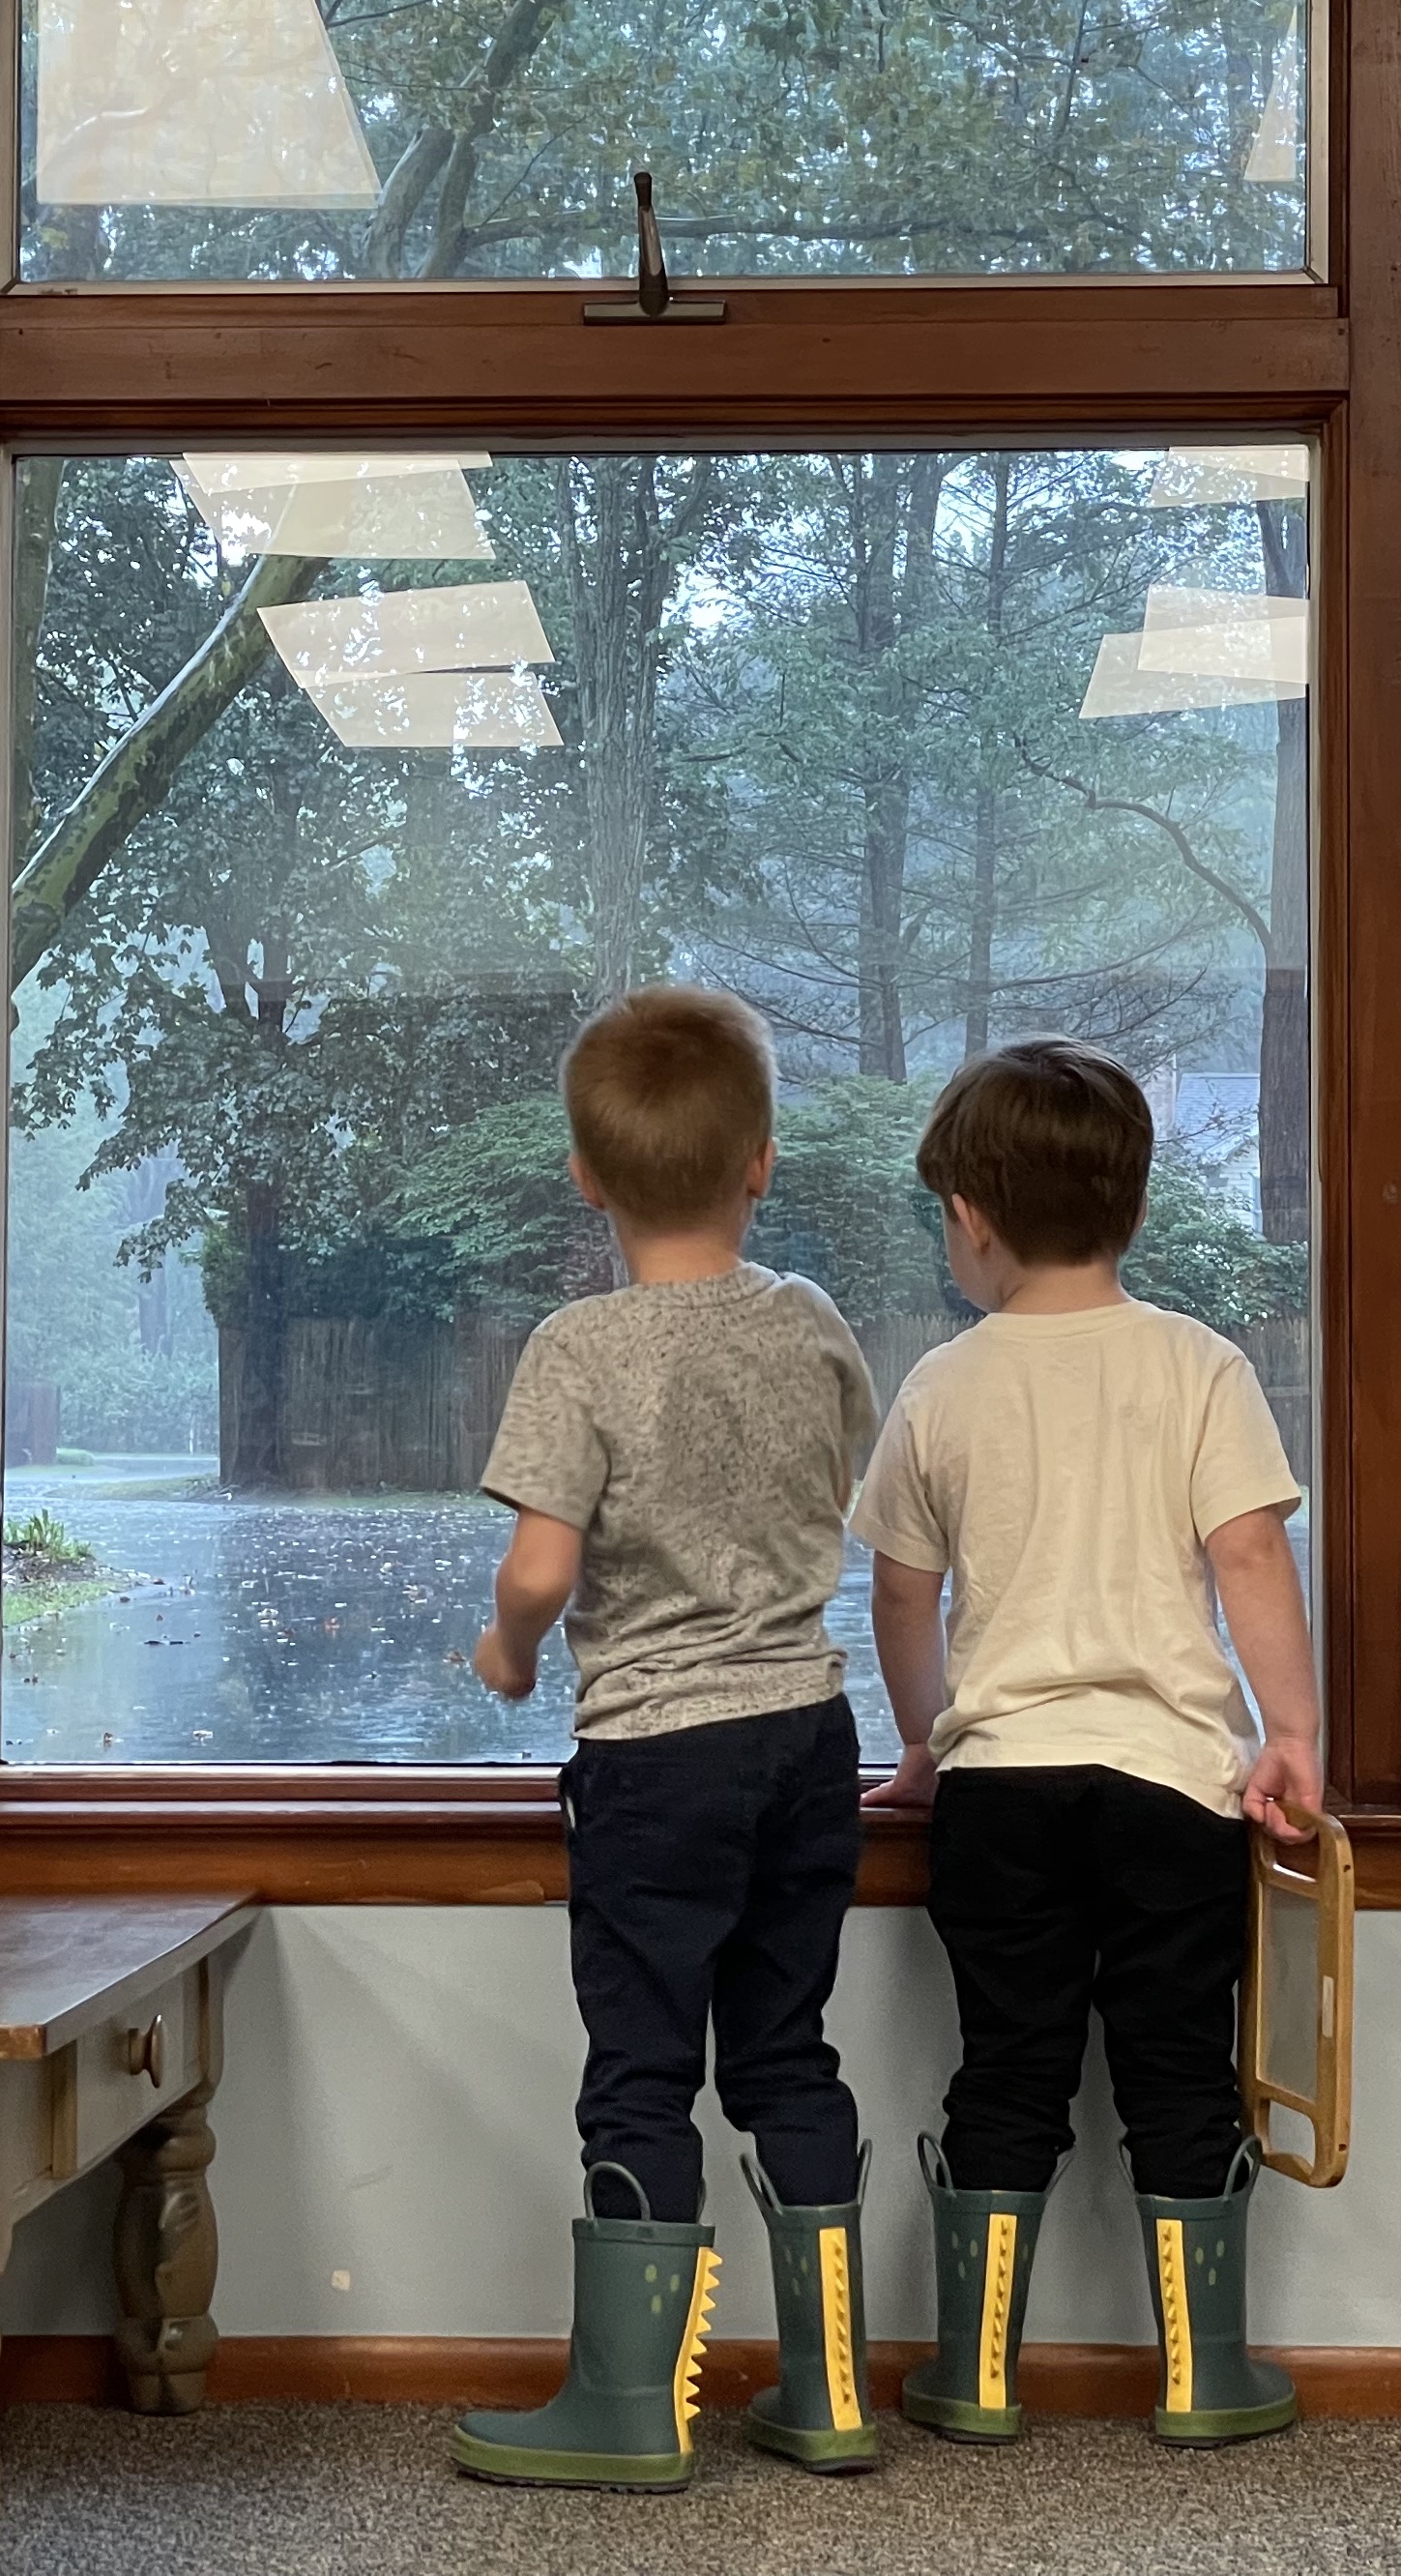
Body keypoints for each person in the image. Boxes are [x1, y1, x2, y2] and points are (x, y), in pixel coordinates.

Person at [852, 1037, 1321, 2450]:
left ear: (974, 1223)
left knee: (1009, 2067)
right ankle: (1204, 2380)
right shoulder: (1197, 1364)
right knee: (1179, 2068)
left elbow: (898, 1587)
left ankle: (977, 2379)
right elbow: (1247, 1556)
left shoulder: (944, 1383)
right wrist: (1289, 1732)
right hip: (1176, 1786)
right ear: (1130, 1203)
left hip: (1001, 1790)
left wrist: (929, 1746)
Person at [451, 982, 885, 2492]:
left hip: (653, 1755)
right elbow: (843, 1480)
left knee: (643, 2064)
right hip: (808, 1737)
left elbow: (545, 1570)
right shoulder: (813, 1321)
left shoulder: (577, 1349)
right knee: (789, 2056)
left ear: (586, 1173)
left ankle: (632, 2410)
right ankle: (829, 2396)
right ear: (759, 1160)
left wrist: (509, 1651)